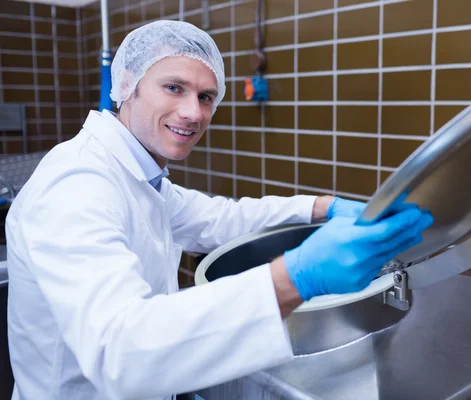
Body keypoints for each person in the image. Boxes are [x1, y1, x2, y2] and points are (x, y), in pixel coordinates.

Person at [5, 20, 433, 400]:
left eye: (207, 96)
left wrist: (324, 207)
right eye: (174, 87)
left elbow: (222, 219)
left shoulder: (139, 176)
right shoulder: (78, 184)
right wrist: (297, 277)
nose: (194, 113)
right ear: (127, 86)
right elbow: (118, 349)